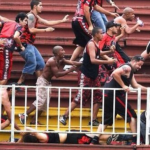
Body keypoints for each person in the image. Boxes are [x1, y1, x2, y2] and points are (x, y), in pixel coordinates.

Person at [60, 27, 117, 126]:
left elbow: (98, 53)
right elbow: (93, 60)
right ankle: (64, 116)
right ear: (95, 34)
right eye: (100, 33)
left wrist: (109, 52)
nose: (102, 35)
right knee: (80, 96)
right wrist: (108, 61)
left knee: (98, 96)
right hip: (85, 74)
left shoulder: (96, 43)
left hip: (93, 75)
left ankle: (93, 120)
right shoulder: (91, 43)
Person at [90, 55, 147, 144]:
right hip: (114, 94)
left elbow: (135, 85)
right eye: (139, 65)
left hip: (107, 94)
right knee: (132, 115)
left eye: (141, 66)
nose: (139, 67)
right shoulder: (127, 67)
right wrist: (123, 86)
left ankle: (94, 140)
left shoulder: (129, 71)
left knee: (106, 118)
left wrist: (148, 89)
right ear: (133, 61)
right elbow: (115, 73)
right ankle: (135, 139)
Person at [18, 45, 81, 125]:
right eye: (62, 50)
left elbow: (72, 62)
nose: (64, 51)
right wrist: (69, 70)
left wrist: (84, 63)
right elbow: (57, 75)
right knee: (40, 101)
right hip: (42, 82)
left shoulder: (61, 59)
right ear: (58, 53)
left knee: (44, 104)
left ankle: (34, 120)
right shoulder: (52, 61)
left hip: (48, 83)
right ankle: (24, 115)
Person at [17, 0, 70, 85]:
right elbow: (31, 30)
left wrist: (62, 21)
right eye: (40, 5)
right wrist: (46, 30)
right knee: (32, 62)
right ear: (35, 6)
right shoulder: (30, 16)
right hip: (24, 43)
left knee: (41, 63)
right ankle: (20, 81)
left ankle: (40, 83)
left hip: (30, 44)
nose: (42, 7)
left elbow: (47, 22)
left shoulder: (35, 16)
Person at [64, 0, 118, 70]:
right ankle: (85, 59)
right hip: (81, 20)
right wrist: (90, 25)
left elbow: (96, 7)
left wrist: (110, 14)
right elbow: (86, 10)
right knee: (93, 40)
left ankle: (69, 64)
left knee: (82, 44)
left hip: (75, 20)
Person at [0, 12, 28, 85]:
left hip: (2, 47)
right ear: (20, 20)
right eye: (25, 20)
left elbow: (2, 19)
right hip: (6, 50)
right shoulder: (19, 27)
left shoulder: (8, 23)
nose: (26, 23)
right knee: (4, 75)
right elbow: (15, 37)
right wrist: (21, 46)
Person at [98, 20, 125, 86]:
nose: (117, 28)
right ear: (110, 28)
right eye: (115, 27)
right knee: (103, 82)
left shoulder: (113, 37)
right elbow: (98, 51)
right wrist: (108, 59)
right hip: (103, 63)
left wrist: (122, 34)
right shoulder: (104, 37)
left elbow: (116, 38)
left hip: (111, 62)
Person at [17, 127, 111, 144]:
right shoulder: (42, 137)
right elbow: (29, 129)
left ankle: (115, 138)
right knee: (97, 137)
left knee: (97, 138)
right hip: (73, 137)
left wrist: (20, 140)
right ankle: (118, 137)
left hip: (71, 137)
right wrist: (23, 134)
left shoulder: (40, 140)